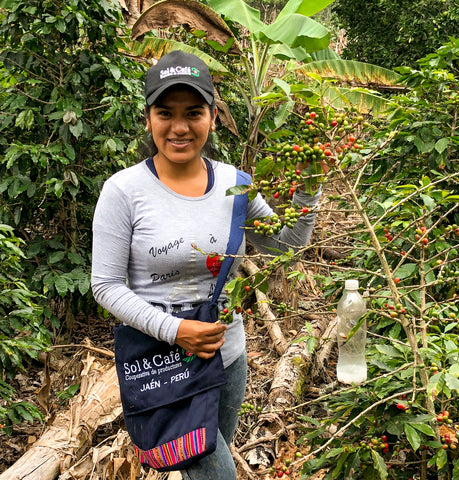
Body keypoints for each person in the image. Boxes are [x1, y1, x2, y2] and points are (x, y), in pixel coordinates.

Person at [91, 50, 321, 480]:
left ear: (213, 117)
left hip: (229, 354)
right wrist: (177, 331)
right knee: (214, 472)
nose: (179, 127)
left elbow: (284, 247)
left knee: (210, 462)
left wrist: (309, 189)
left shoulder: (235, 184)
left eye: (193, 112)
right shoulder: (123, 191)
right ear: (148, 119)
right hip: (162, 359)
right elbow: (105, 286)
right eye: (166, 113)